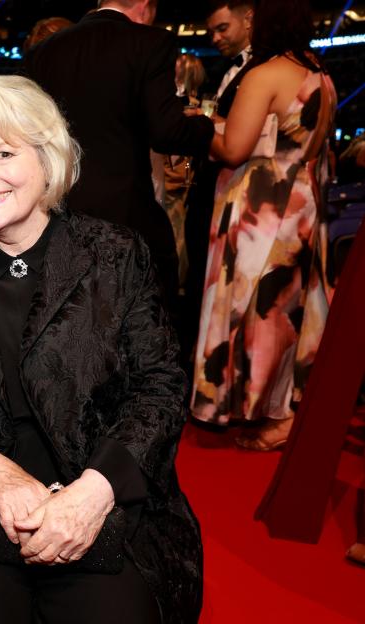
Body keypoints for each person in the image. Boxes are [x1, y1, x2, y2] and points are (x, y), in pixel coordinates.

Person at [0, 71, 201, 624]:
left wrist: (92, 494)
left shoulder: (116, 255)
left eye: (3, 153)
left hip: (102, 498)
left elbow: (161, 387)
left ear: (46, 157)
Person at [191, 0, 336, 451]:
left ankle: (256, 409)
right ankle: (286, 409)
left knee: (252, 309)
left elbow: (233, 148)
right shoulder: (321, 75)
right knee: (290, 312)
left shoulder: (265, 74)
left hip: (261, 208)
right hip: (304, 204)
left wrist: (194, 127)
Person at [25, 0, 215, 310]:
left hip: (58, 216)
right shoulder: (151, 42)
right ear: (147, 5)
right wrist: (207, 127)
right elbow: (167, 132)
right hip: (126, 218)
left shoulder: (43, 53)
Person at [181, 0, 255, 363]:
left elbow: (239, 142)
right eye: (211, 30)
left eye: (222, 28)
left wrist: (203, 123)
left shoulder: (261, 71)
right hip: (211, 189)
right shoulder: (228, 69)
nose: (215, 37)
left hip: (237, 195)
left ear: (249, 19)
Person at [161, 53, 208, 286]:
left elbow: (186, 158)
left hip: (181, 178)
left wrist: (185, 175)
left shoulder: (192, 107)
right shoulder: (178, 104)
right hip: (175, 177)